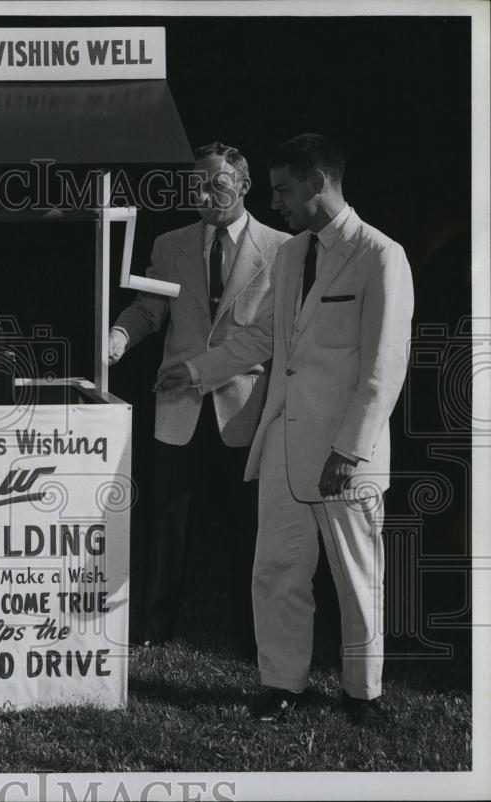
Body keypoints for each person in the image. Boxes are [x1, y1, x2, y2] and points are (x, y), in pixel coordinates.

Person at [160, 134, 413, 725]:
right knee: (275, 569)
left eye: (283, 190)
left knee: (356, 578)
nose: (275, 202)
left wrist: (349, 451)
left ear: (319, 184)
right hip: (280, 443)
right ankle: (282, 684)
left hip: (345, 454)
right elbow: (260, 340)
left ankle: (362, 694)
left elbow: (384, 366)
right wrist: (194, 372)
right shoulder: (293, 254)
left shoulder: (380, 255)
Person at [108, 142, 290, 651]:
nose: (204, 193)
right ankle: (154, 632)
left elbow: (270, 335)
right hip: (177, 411)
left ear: (245, 184)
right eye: (196, 185)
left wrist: (198, 369)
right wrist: (121, 336)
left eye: (216, 183)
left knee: (248, 531)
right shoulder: (171, 245)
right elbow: (148, 310)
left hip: (244, 410)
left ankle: (253, 637)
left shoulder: (283, 248)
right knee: (166, 525)